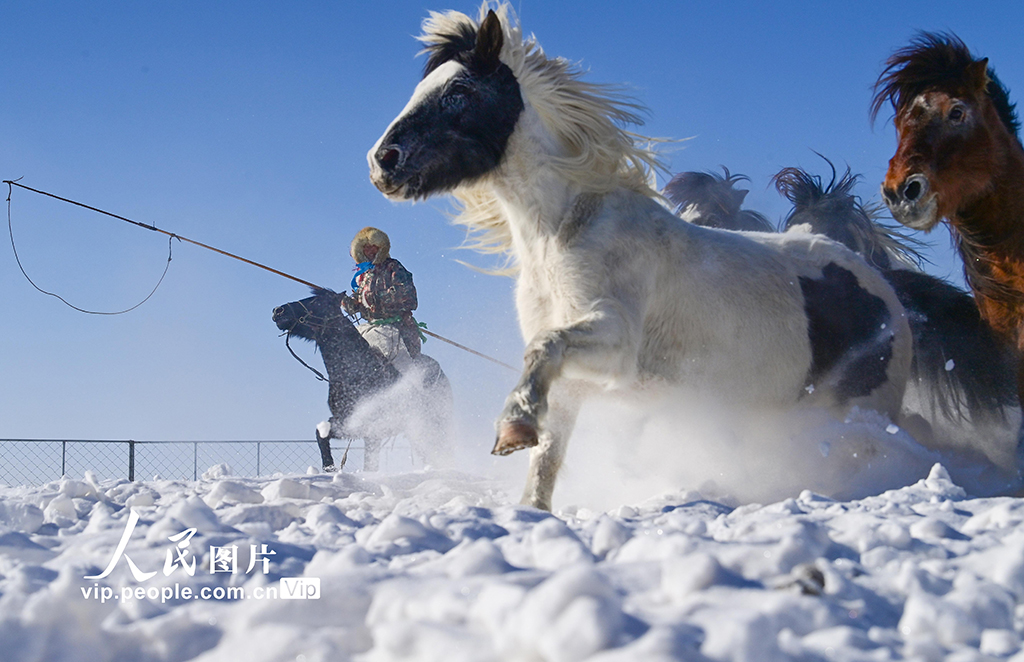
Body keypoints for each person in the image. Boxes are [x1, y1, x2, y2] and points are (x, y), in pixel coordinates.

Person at [341, 226, 422, 370]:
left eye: (374, 247)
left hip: (398, 326)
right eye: (366, 248)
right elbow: (361, 304)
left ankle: (411, 385)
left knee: (397, 359)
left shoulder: (393, 266)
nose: (371, 251)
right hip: (372, 327)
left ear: (381, 248)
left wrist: (376, 299)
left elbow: (408, 297)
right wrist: (350, 304)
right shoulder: (362, 276)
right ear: (360, 250)